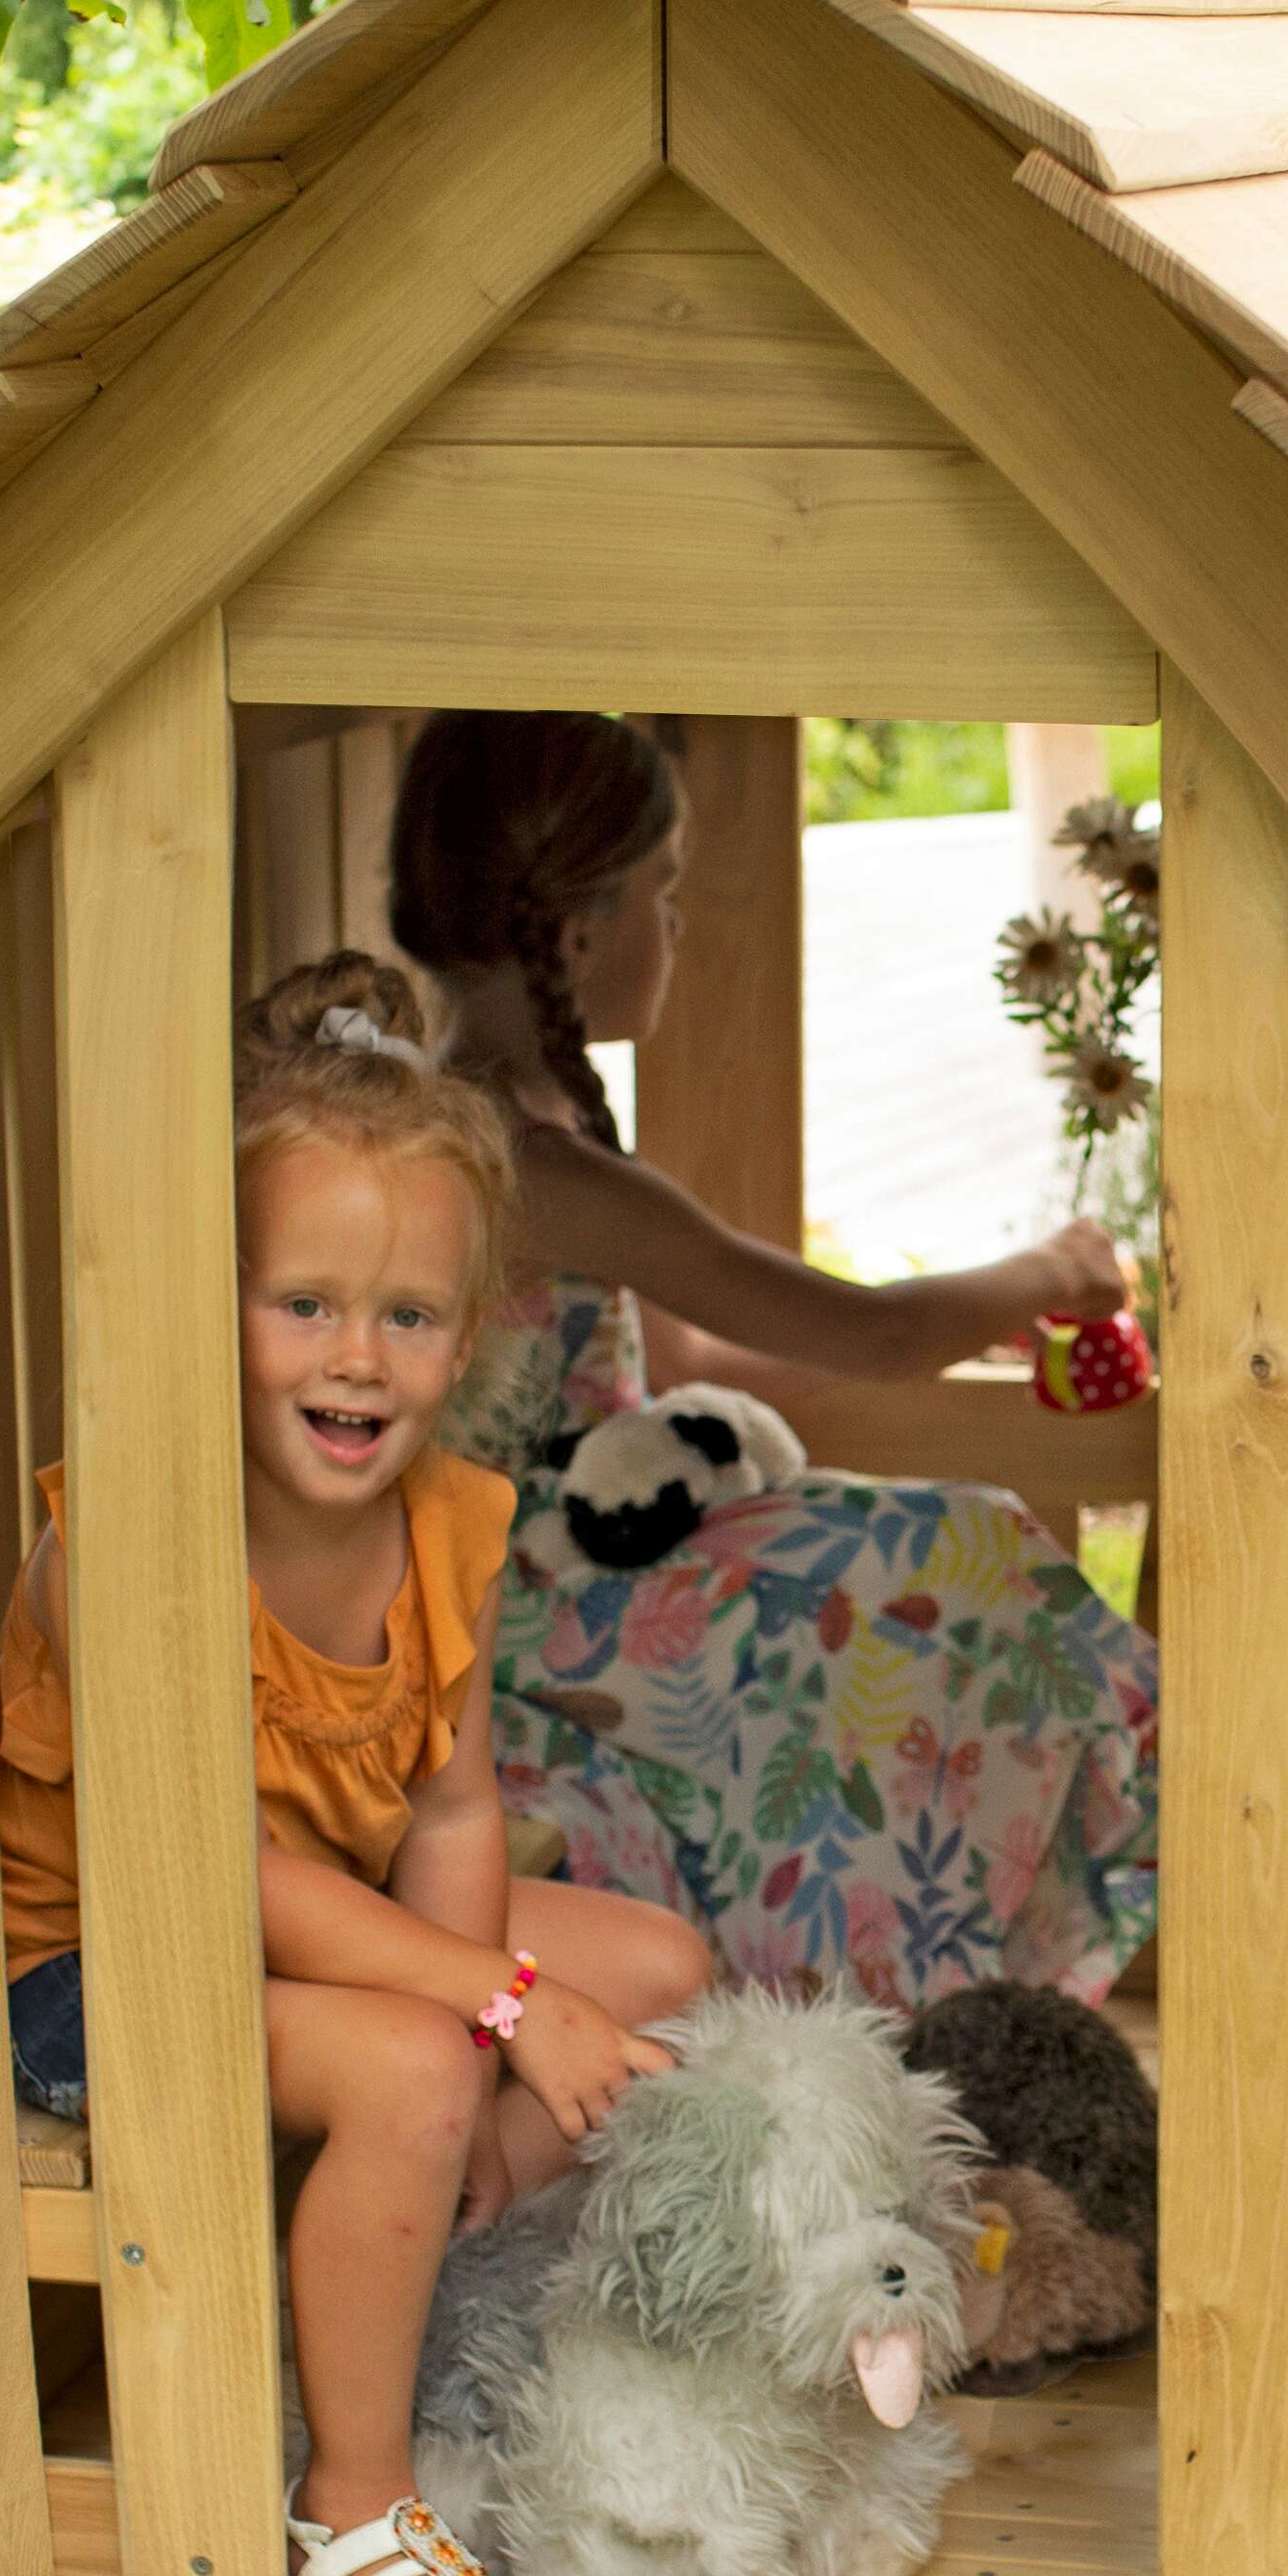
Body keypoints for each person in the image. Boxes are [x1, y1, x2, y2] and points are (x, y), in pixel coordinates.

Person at [0, 955, 714, 2576]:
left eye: (407, 1316)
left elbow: (453, 1805)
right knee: (420, 2058)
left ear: (468, 1341)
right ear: (209, 1306)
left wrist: (500, 1987)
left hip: (309, 1918)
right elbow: (218, 1887)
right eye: (302, 1304)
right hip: (102, 1961)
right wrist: (494, 2014)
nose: (357, 1358)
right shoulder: (137, 1538)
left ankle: (407, 2268)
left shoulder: (450, 1524)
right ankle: (355, 2501)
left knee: (657, 1962)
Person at [392, 710, 1160, 2010]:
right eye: (665, 892)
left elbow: (699, 1363)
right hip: (526, 1610)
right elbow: (867, 1329)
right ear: (578, 924)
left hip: (582, 1560)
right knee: (974, 1560)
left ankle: (913, 1986)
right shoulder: (526, 1164)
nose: (679, 927)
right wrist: (1056, 1271)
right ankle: (908, 1994)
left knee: (931, 1547)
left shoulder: (515, 1120)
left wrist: (984, 1317)